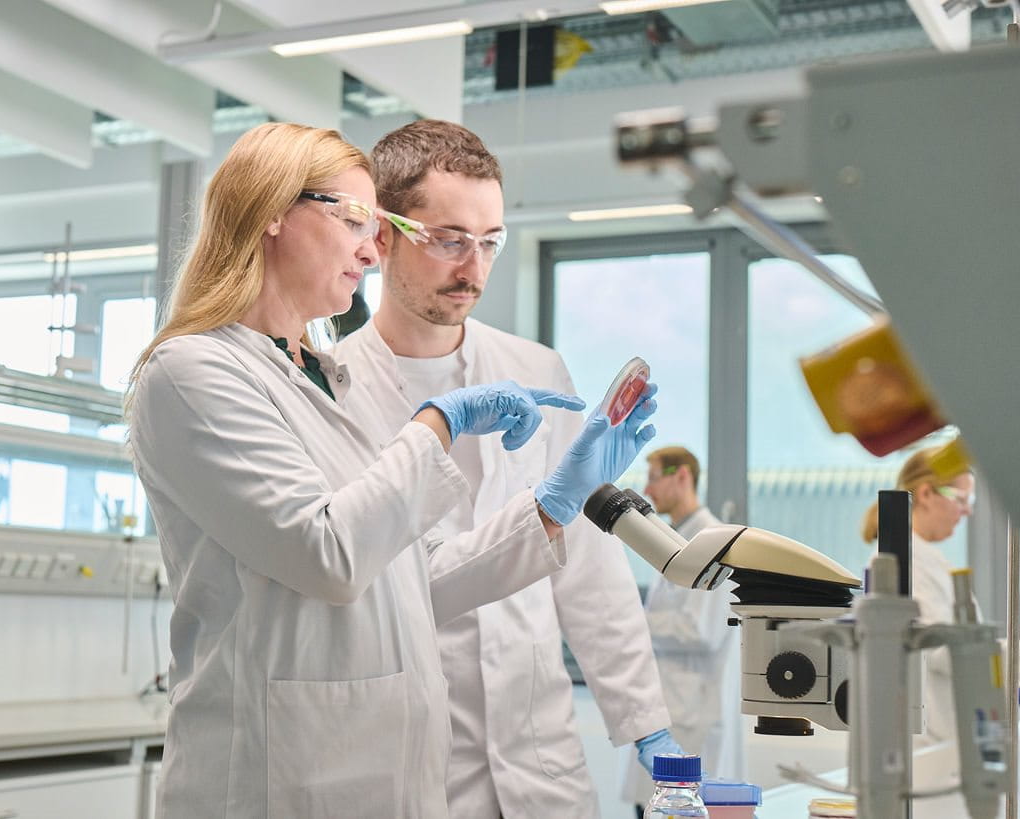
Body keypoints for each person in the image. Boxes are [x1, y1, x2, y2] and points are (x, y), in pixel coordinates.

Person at [125, 122, 658, 818]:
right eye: (352, 219)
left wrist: (554, 506)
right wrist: (439, 423)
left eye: (371, 225)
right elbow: (330, 552)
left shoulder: (320, 376)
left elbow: (415, 576)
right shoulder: (192, 371)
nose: (370, 249)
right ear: (272, 213)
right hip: (277, 772)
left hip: (395, 775)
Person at [334, 119, 679, 818]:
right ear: (382, 234)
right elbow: (365, 576)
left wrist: (644, 715)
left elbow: (585, 566)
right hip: (409, 757)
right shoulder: (332, 386)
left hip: (539, 754)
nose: (475, 269)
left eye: (490, 242)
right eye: (450, 240)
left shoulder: (535, 370)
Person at [621, 446, 745, 815]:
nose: (648, 488)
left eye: (655, 477)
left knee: (675, 808)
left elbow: (701, 629)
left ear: (683, 476)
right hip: (670, 710)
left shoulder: (713, 541)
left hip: (691, 716)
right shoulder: (679, 537)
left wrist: (632, 621)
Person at [860, 446, 976, 748]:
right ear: (925, 494)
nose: (967, 511)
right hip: (923, 739)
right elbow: (937, 645)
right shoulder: (901, 562)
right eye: (961, 499)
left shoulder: (928, 560)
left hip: (943, 734)